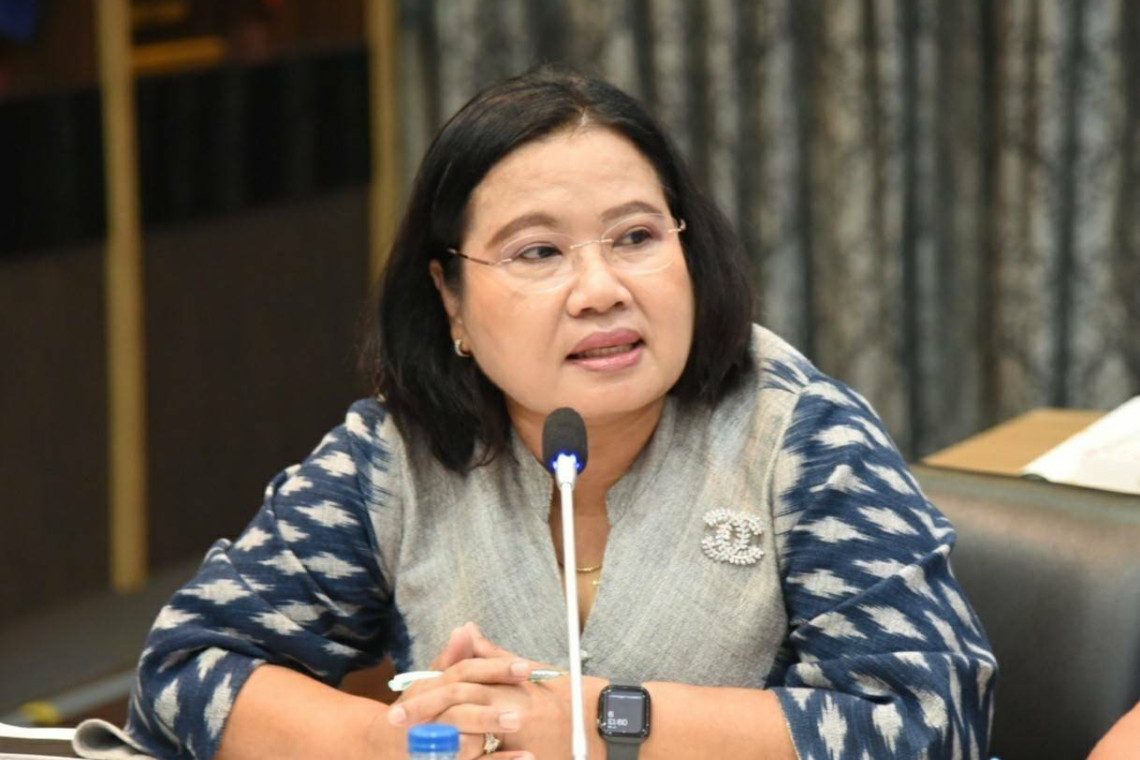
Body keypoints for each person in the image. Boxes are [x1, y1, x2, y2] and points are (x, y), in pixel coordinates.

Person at [121, 67, 996, 760]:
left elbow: (932, 723)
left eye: (637, 236)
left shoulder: (804, 438)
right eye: (538, 251)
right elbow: (184, 670)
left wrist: (601, 722)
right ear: (451, 299)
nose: (600, 289)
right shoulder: (394, 457)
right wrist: (398, 742)